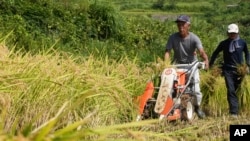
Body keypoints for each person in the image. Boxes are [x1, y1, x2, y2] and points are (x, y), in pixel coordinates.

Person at [164, 15, 209, 119]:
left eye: (183, 25)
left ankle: (197, 107)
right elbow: (167, 52)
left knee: (196, 89)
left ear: (188, 26)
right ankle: (170, 108)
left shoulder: (194, 38)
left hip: (191, 66)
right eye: (179, 25)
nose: (181, 27)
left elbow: (201, 51)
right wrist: (166, 65)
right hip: (177, 66)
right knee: (172, 88)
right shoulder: (173, 37)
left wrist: (205, 60)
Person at [209, 23, 250, 118]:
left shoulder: (242, 43)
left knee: (238, 90)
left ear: (237, 33)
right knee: (230, 90)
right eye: (230, 33)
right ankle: (233, 112)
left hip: (240, 71)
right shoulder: (224, 43)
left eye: (234, 33)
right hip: (227, 69)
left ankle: (240, 107)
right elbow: (215, 53)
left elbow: (247, 53)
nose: (232, 35)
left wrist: (248, 64)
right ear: (227, 33)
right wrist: (211, 64)